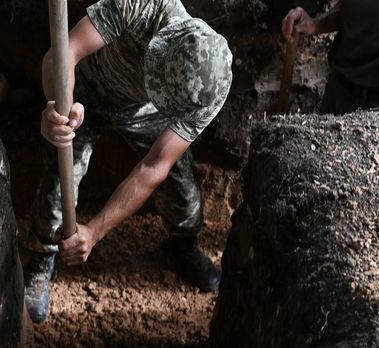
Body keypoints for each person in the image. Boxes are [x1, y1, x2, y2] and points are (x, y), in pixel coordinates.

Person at [22, 0, 233, 323]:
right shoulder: (143, 4)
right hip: (86, 93)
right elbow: (65, 52)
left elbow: (153, 167)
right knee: (58, 188)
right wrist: (57, 106)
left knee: (184, 197)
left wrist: (93, 232)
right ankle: (42, 254)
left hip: (146, 112)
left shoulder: (210, 88)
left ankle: (183, 243)